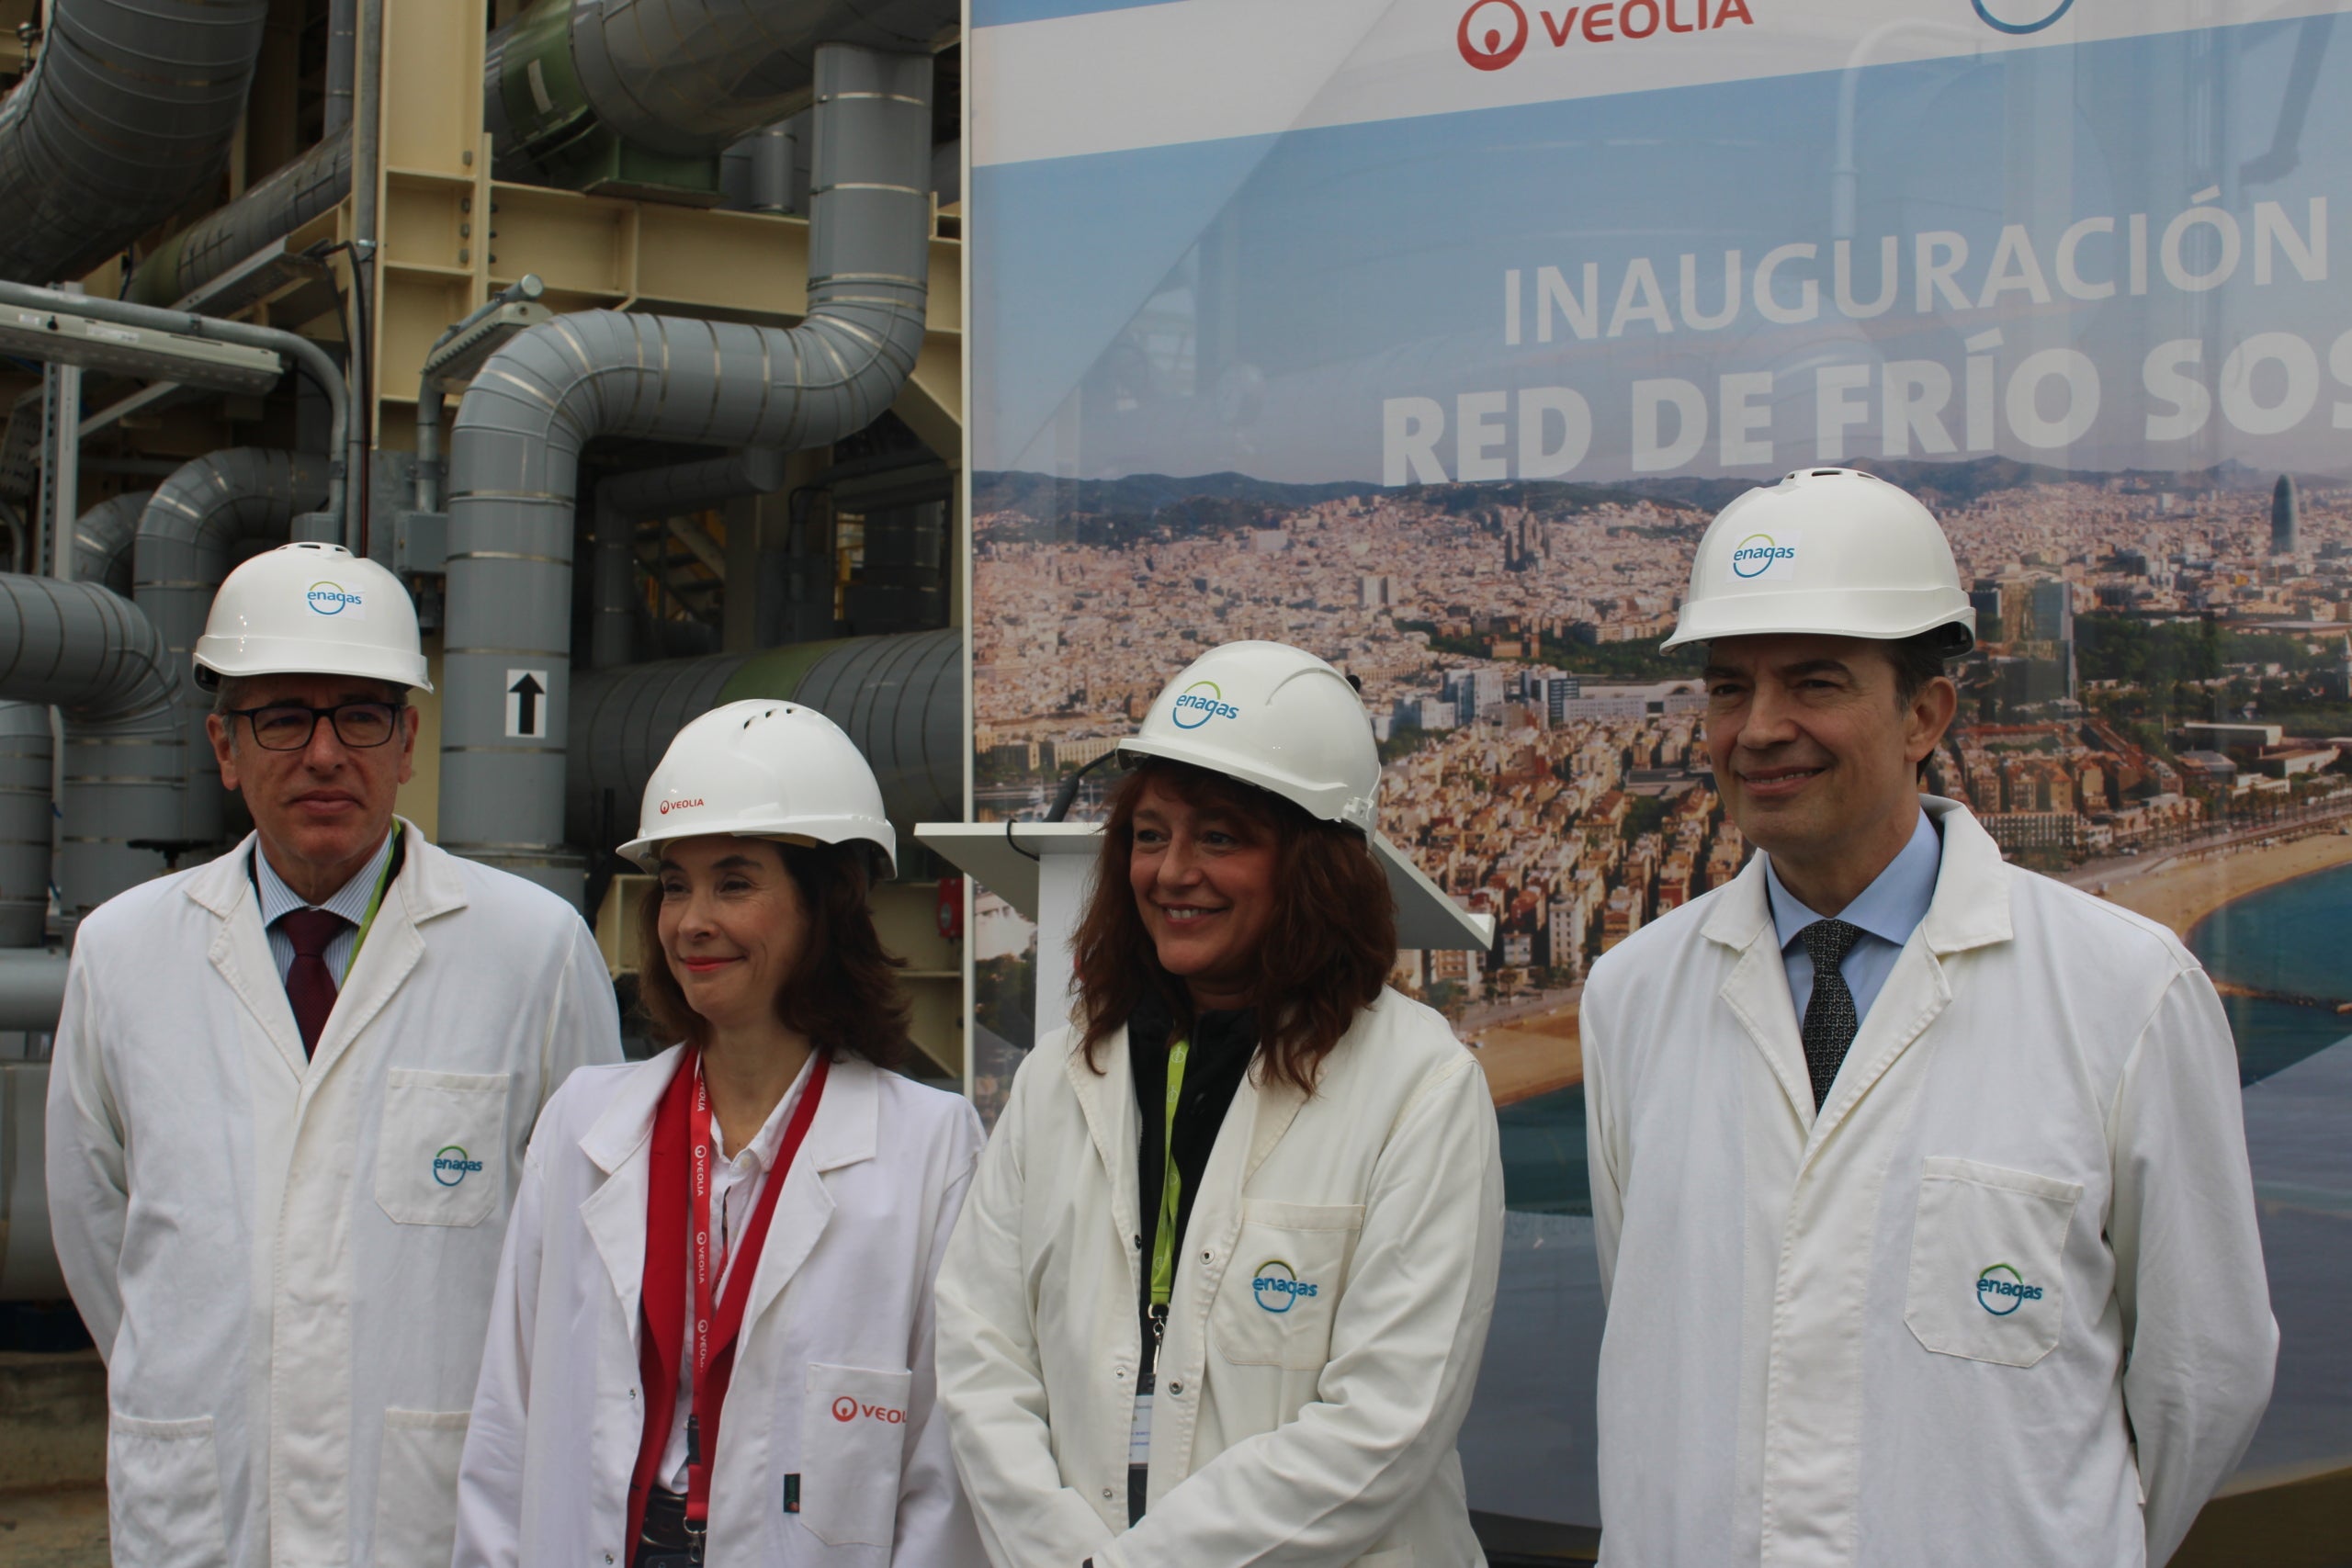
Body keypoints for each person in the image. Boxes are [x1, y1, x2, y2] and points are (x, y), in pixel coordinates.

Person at [1581, 468, 2277, 1566]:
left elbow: (2206, 1373)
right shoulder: (1631, 996)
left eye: (1813, 683)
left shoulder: (2125, 993)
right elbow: (1653, 1325)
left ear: (1925, 715)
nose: (1759, 730)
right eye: (1726, 688)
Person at [43, 540, 624, 1567]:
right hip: (205, 1500)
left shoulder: (531, 951)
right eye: (282, 716)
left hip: (426, 1509)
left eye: (360, 714)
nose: (323, 753)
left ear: (407, 741)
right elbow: (101, 1235)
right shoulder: (125, 953)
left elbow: (584, 1249)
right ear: (225, 747)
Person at [935, 639, 1504, 1568]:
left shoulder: (1419, 1086)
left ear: (1316, 863)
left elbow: (1387, 1423)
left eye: (1220, 837)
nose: (1170, 872)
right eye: (1150, 834)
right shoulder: (1061, 1076)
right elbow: (979, 1350)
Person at [452, 698, 985, 1568]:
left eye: (734, 881)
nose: (690, 921)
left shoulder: (930, 1146)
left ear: (827, 902)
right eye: (674, 884)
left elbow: (942, 1474)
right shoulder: (586, 1124)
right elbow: (506, 1425)